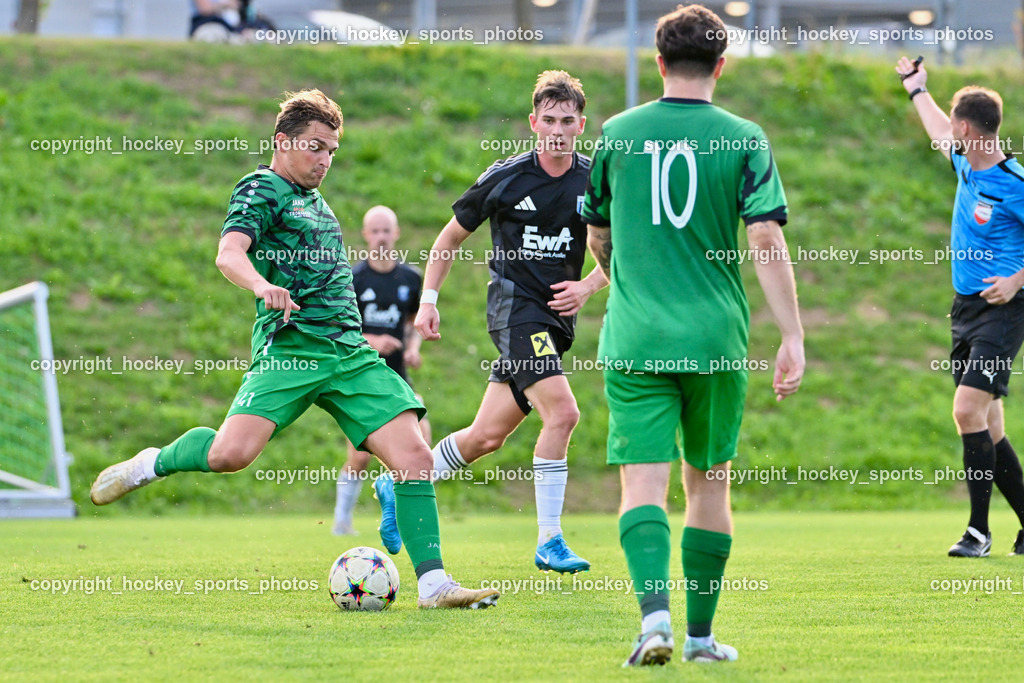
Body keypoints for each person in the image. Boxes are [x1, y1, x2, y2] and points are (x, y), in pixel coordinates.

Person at [89, 89, 499, 610]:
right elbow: (228, 253)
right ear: (282, 141)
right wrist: (261, 286)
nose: (325, 160)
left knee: (415, 455)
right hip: (292, 349)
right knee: (230, 454)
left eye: (332, 150)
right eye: (315, 147)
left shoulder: (314, 198)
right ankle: (153, 462)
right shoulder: (262, 187)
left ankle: (434, 585)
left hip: (348, 353)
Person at [581, 5, 804, 666]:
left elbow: (597, 232)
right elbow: (764, 237)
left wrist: (621, 275)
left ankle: (654, 623)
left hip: (636, 339)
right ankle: (702, 637)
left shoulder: (617, 134)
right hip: (714, 340)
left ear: (657, 62)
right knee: (709, 484)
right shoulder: (744, 137)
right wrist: (791, 335)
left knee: (641, 486)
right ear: (721, 64)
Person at [373, 70, 607, 574]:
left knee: (485, 437)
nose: (558, 130)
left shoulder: (595, 180)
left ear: (582, 125)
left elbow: (623, 251)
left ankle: (401, 484)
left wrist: (588, 286)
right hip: (514, 311)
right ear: (533, 123)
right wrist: (428, 302)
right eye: (549, 120)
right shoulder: (506, 177)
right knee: (563, 414)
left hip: (554, 324)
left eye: (568, 120)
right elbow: (447, 240)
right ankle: (550, 540)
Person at [896, 56, 1024, 558]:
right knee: (989, 426)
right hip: (965, 311)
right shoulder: (964, 162)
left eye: (953, 123)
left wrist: (1016, 280)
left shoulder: (1014, 181)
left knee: (966, 409)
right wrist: (915, 88)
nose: (947, 131)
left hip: (1006, 312)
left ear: (966, 126)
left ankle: (977, 531)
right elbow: (932, 123)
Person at [333, 205, 431, 536]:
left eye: (386, 231)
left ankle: (406, 515)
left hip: (397, 376)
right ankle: (342, 520)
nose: (381, 237)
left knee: (422, 439)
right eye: (374, 231)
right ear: (365, 236)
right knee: (359, 457)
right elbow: (339, 329)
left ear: (396, 234)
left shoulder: (410, 278)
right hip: (361, 376)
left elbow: (413, 323)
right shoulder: (354, 279)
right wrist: (371, 339)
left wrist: (414, 347)